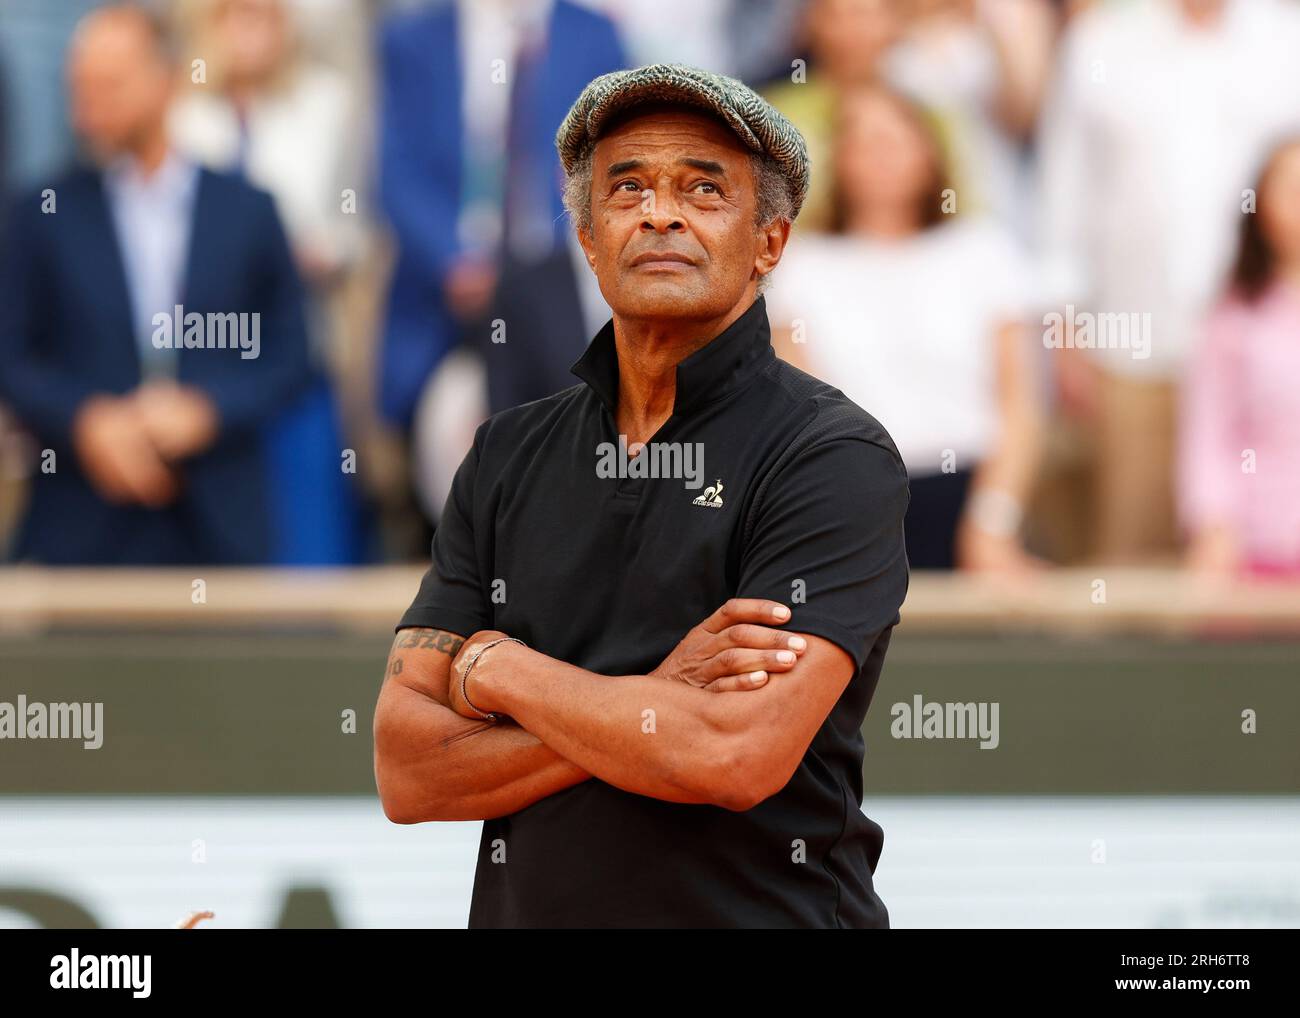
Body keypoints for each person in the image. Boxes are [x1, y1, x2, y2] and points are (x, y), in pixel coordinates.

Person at [373, 65, 910, 929]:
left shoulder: (831, 457)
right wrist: (659, 696)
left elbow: (734, 753)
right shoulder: (507, 453)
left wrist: (497, 669)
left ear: (770, 242)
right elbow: (409, 770)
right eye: (628, 187)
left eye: (704, 188)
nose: (661, 212)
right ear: (587, 237)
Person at [0, 5, 309, 565]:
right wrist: (87, 422)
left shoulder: (247, 211)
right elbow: (13, 356)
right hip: (78, 528)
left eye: (109, 86)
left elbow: (290, 354)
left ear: (166, 81)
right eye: (80, 88)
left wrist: (207, 410)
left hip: (222, 527)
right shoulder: (41, 214)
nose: (87, 109)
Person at [1038, 0, 1300, 562]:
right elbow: (1064, 198)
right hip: (1135, 344)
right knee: (1133, 554)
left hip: (1272, 351)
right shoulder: (1101, 42)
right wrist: (1064, 331)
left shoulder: (1286, 37)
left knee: (1265, 553)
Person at [767, 84, 1042, 571]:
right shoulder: (802, 265)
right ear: (840, 160)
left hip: (973, 500)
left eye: (895, 138)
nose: (881, 155)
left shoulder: (983, 251)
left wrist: (992, 524)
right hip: (852, 503)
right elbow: (801, 417)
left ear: (929, 152)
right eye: (863, 141)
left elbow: (1021, 407)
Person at [374, 0, 626, 431]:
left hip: (561, 285)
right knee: (460, 441)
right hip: (445, 302)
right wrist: (453, 260)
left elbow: (618, 163)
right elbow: (396, 173)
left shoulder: (594, 35)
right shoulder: (413, 39)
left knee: (572, 432)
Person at [1179, 137, 1300, 579]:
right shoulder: (1234, 317)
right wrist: (1214, 526)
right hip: (1258, 544)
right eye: (1290, 189)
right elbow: (1209, 432)